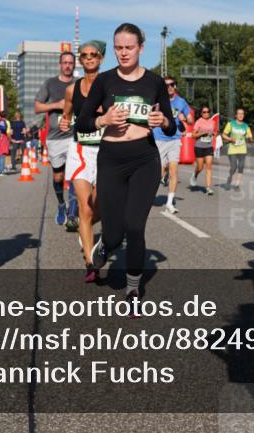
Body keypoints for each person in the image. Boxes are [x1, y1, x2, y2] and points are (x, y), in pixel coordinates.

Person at [76, 23, 176, 304]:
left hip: (145, 158)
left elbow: (171, 127)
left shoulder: (155, 82)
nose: (123, 53)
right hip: (111, 159)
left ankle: (133, 289)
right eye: (118, 48)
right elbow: (82, 123)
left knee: (134, 227)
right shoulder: (104, 81)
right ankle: (105, 247)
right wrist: (102, 120)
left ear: (141, 48)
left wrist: (164, 121)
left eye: (129, 47)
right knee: (114, 234)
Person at [61, 40, 105, 277]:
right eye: (85, 55)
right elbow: (66, 115)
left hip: (106, 152)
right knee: (85, 209)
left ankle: (84, 228)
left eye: (93, 55)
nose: (89, 58)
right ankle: (91, 264)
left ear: (101, 58)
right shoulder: (72, 89)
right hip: (80, 150)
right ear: (80, 59)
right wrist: (64, 120)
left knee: (100, 208)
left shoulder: (111, 85)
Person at [36, 51, 79, 226]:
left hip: (75, 136)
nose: (68, 65)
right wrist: (57, 105)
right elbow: (37, 107)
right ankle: (62, 204)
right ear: (60, 65)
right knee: (59, 176)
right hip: (55, 138)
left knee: (75, 175)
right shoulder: (50, 83)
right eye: (65, 62)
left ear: (74, 65)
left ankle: (73, 212)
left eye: (71, 63)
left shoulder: (79, 83)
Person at [155, 76, 191, 214]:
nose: (169, 87)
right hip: (158, 139)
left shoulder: (181, 102)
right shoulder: (157, 100)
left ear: (175, 86)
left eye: (172, 84)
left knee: (174, 170)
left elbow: (191, 119)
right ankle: (146, 195)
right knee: (158, 173)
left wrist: (185, 118)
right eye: (166, 85)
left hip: (174, 139)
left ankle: (169, 203)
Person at [222, 107, 253, 192]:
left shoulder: (246, 126)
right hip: (233, 150)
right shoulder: (231, 124)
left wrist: (250, 139)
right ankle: (230, 176)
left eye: (242, 114)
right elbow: (223, 135)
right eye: (239, 113)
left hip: (242, 149)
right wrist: (230, 139)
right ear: (236, 115)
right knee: (234, 167)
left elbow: (250, 137)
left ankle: (237, 185)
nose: (240, 115)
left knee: (241, 167)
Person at [191, 106, 216, 195]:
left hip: (208, 147)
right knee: (200, 167)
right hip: (199, 146)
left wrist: (214, 134)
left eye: (208, 111)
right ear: (201, 113)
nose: (206, 113)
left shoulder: (212, 122)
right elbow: (193, 135)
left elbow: (214, 133)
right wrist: (202, 133)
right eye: (204, 112)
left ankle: (208, 187)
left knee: (209, 167)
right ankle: (195, 175)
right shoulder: (198, 122)